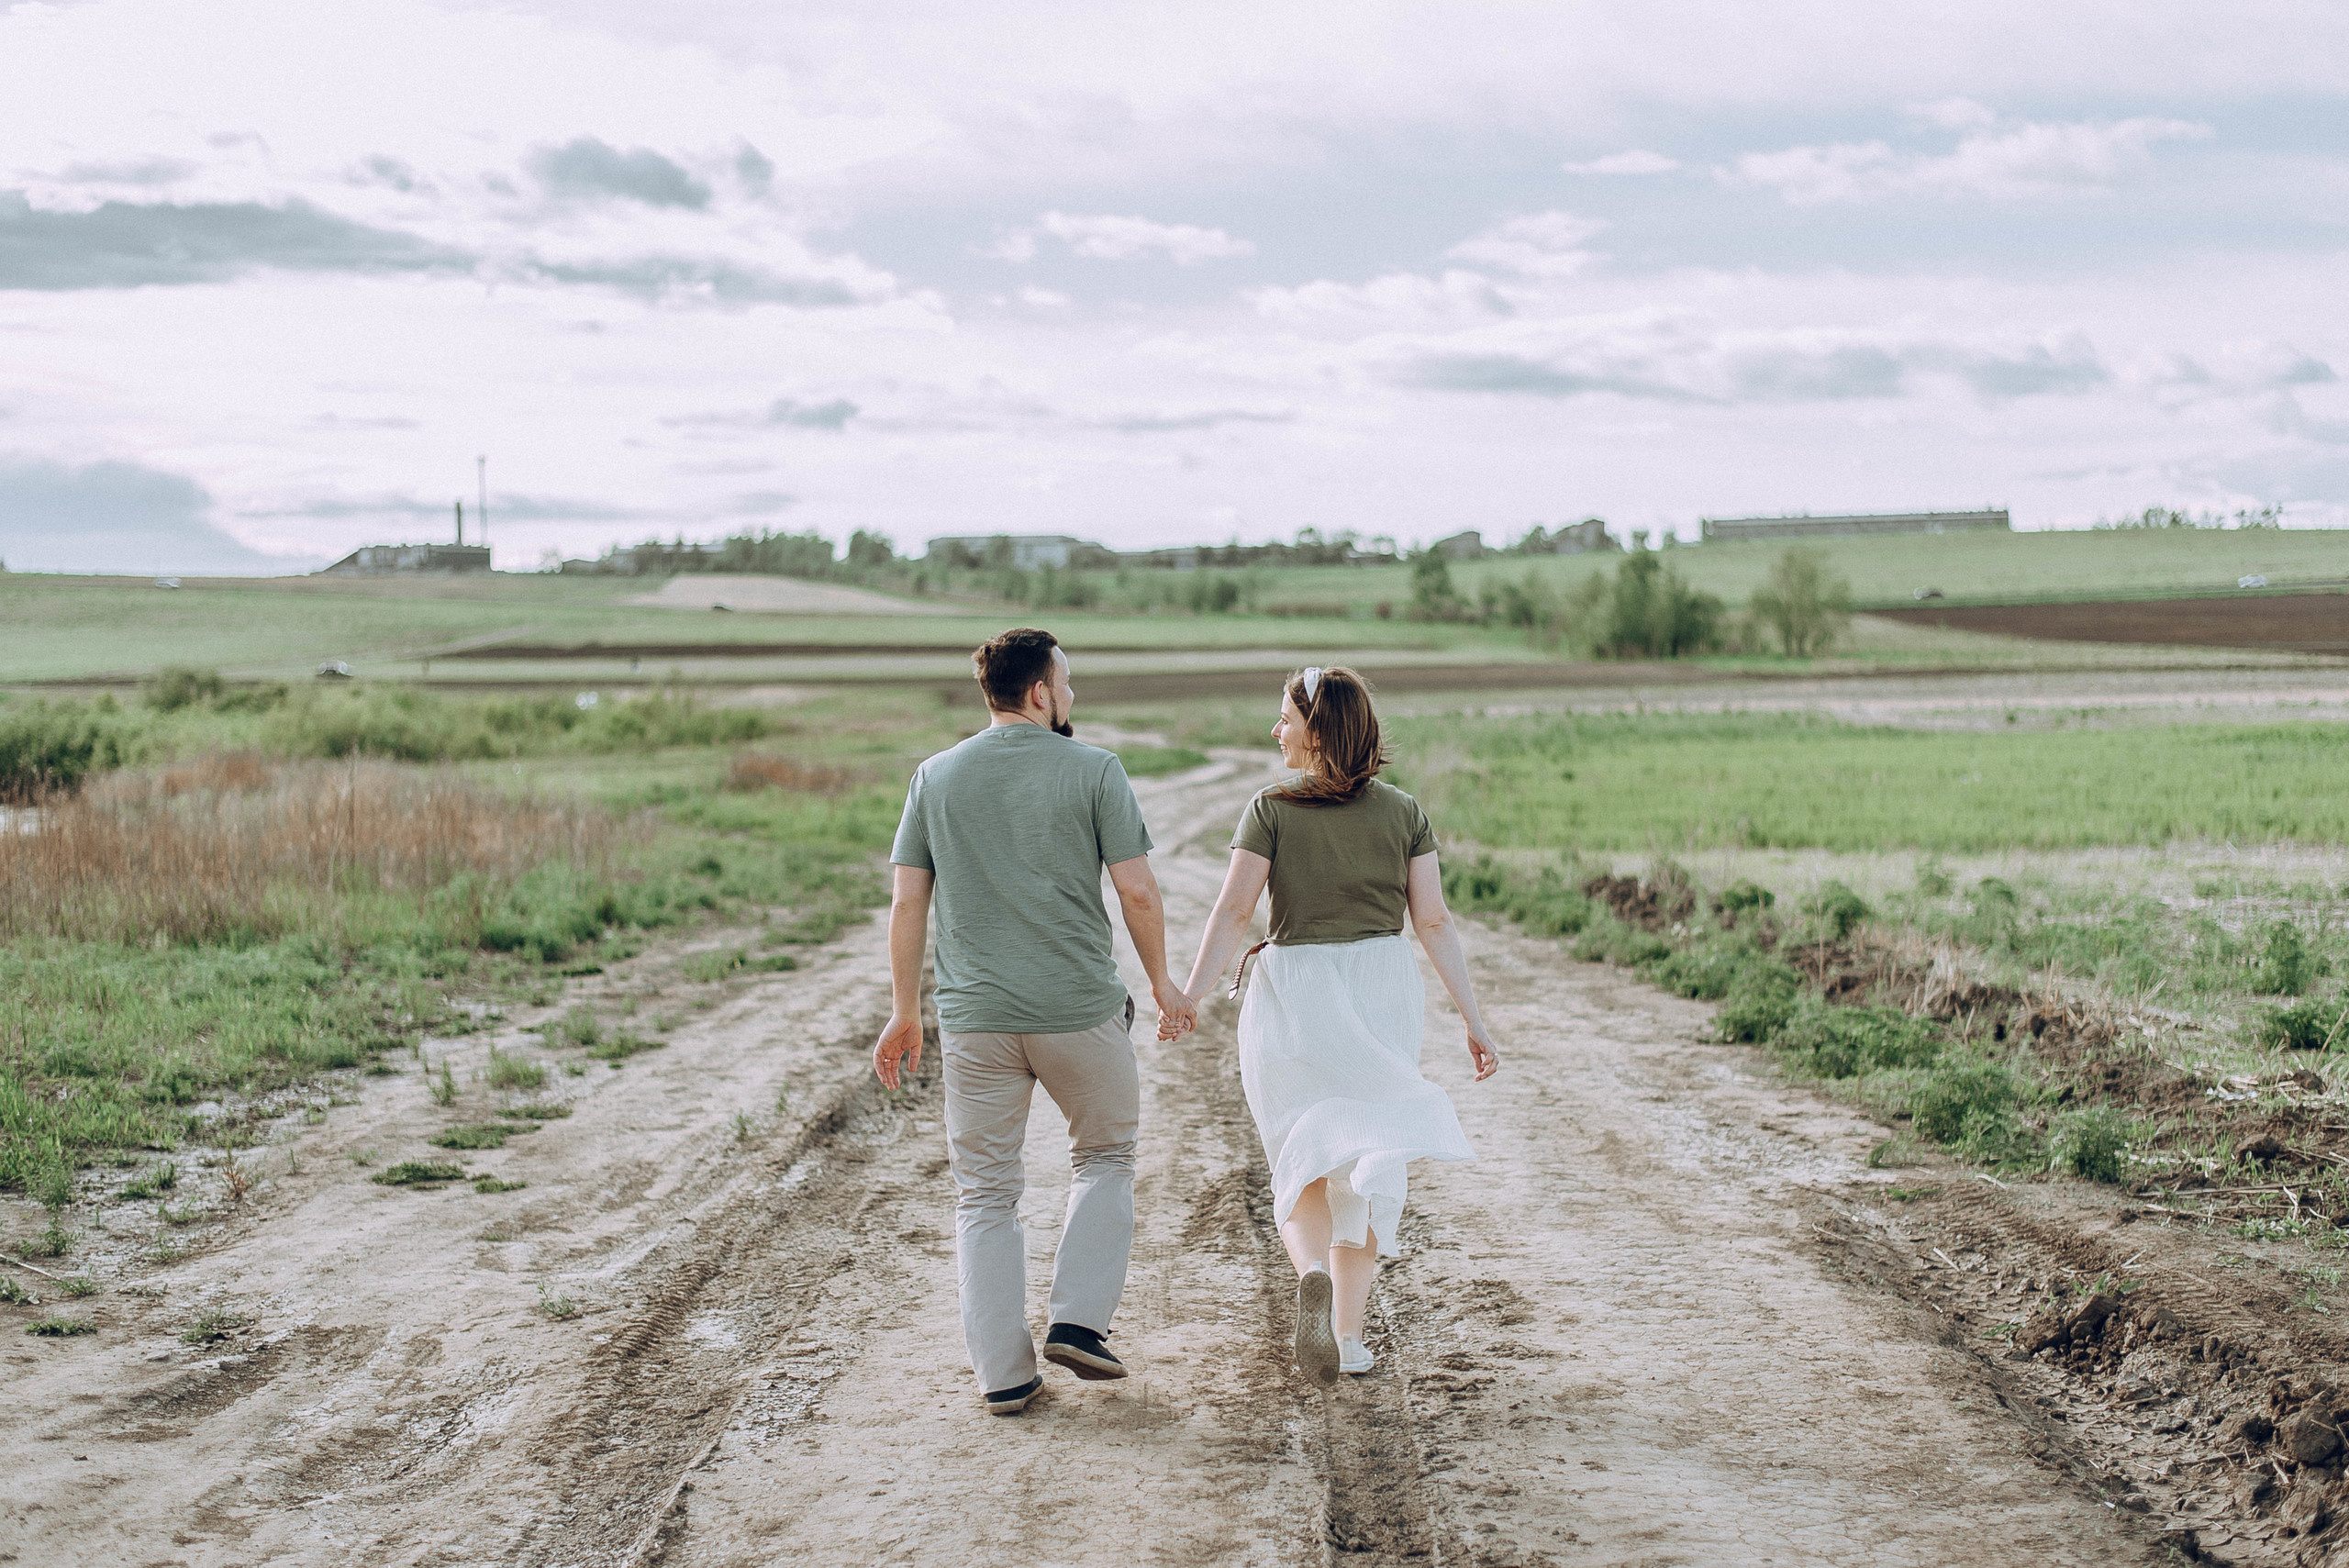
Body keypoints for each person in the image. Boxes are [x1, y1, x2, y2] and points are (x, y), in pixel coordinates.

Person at [873, 627, 1198, 1417]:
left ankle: (1004, 1375)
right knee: (1106, 1154)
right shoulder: (1094, 769)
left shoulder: (934, 776)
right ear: (1041, 692)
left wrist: (904, 1010)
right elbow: (1140, 892)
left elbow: (908, 899)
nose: (1073, 696)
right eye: (1068, 682)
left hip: (977, 1021)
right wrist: (1162, 983)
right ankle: (1079, 1324)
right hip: (1078, 1010)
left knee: (984, 1193)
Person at [1163, 664, 1498, 1385]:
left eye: (1284, 717)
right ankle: (1346, 1337)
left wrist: (1189, 994)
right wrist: (1473, 1019)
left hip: (1296, 994)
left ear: (1317, 730)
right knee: (1371, 1161)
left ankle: (1309, 1268)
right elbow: (1433, 920)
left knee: (1303, 1154)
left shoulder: (1270, 809)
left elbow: (1232, 912)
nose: (1275, 729)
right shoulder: (1404, 811)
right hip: (1380, 986)